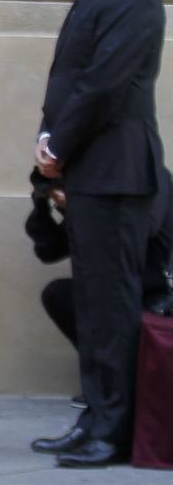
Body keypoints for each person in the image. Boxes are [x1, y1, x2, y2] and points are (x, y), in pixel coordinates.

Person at [31, 0, 167, 468]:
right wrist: (49, 148)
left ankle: (113, 430)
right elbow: (73, 80)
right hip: (91, 172)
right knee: (94, 304)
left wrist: (58, 145)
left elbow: (104, 86)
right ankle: (96, 418)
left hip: (115, 174)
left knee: (112, 307)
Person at [29, 169, 173, 409]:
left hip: (150, 290)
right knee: (59, 295)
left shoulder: (150, 175)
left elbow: (143, 230)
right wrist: (43, 207)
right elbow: (50, 251)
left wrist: (76, 207)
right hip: (107, 290)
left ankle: (124, 389)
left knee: (111, 306)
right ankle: (106, 383)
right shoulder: (93, 188)